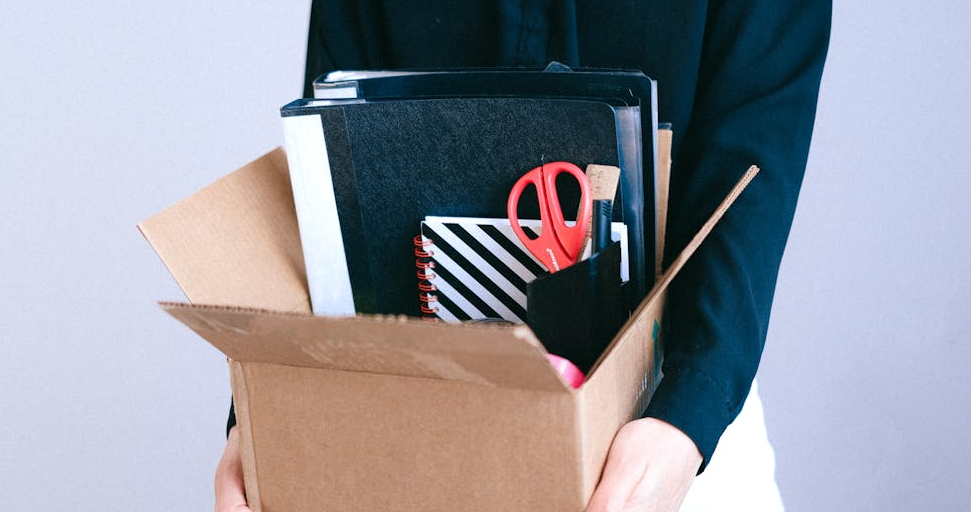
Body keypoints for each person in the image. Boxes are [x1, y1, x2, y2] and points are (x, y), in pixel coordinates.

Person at [214, 1, 830, 511]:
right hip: (412, 419)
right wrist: (262, 413)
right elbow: (330, 173)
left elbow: (751, 173)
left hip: (658, 423)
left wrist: (688, 417)